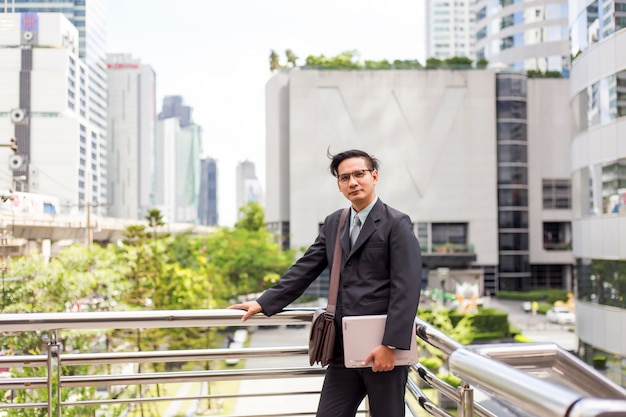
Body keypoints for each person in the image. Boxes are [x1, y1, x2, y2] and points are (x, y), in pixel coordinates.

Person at [229, 149, 422, 417]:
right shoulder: (335, 222)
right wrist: (264, 302)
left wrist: (391, 345)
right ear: (339, 185)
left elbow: (407, 288)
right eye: (345, 178)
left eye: (359, 174)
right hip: (342, 350)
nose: (353, 182)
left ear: (374, 176)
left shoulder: (396, 223)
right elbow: (306, 268)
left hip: (382, 348)